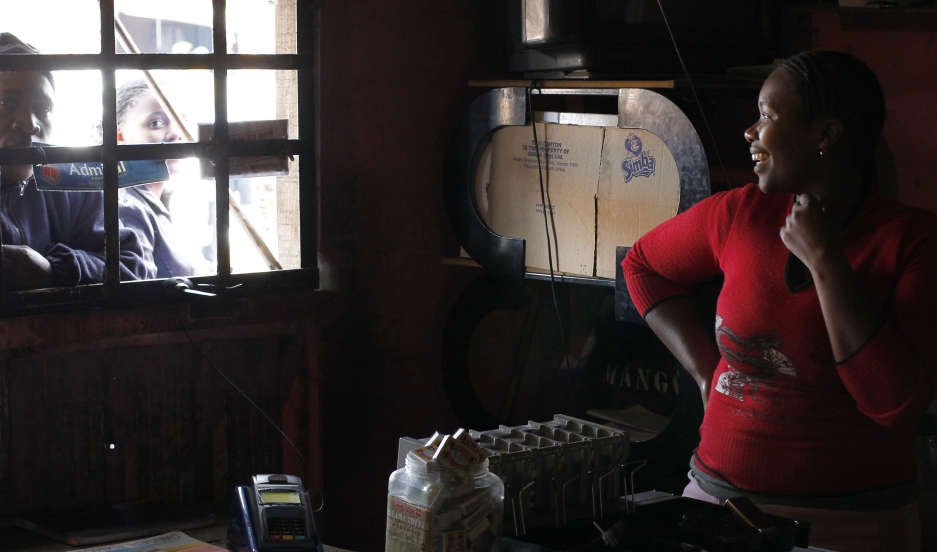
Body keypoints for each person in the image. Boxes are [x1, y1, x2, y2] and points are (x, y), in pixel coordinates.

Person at [623, 50, 936, 551]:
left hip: (851, 527)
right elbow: (642, 266)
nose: (751, 131)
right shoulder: (740, 214)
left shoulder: (913, 241)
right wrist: (706, 369)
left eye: (767, 116)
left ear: (825, 135)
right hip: (715, 507)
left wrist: (827, 262)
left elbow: (895, 405)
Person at [0, 33, 147, 289]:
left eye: (43, 109)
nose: (30, 123)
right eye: (6, 103)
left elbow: (130, 267)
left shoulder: (72, 179)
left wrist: (54, 270)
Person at [116, 79, 206, 279]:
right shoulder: (128, 207)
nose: (176, 134)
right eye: (156, 123)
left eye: (181, 121)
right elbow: (143, 294)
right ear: (119, 135)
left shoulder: (158, 203)